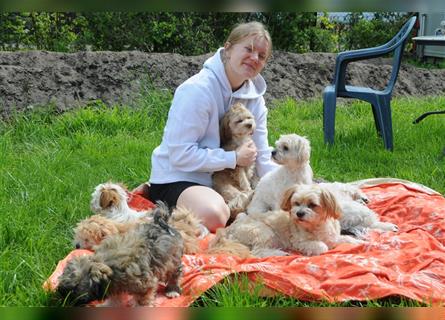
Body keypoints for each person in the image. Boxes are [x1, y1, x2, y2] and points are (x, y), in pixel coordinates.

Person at [146, 21, 278, 233]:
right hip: (182, 177)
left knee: (291, 193)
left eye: (261, 56)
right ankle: (153, 192)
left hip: (226, 180)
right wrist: (233, 158)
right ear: (228, 48)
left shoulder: (256, 99)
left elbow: (261, 155)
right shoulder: (197, 90)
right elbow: (179, 155)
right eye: (248, 49)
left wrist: (286, 183)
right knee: (214, 215)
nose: (254, 58)